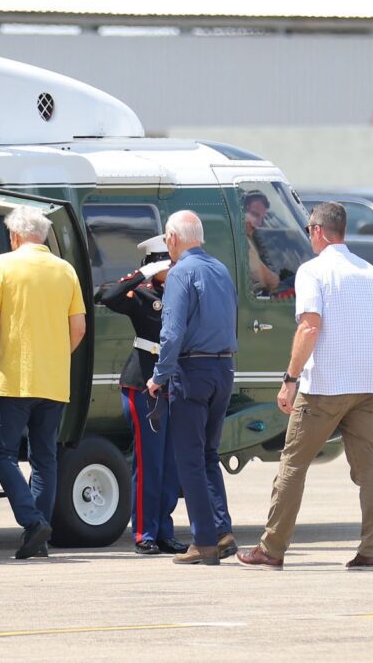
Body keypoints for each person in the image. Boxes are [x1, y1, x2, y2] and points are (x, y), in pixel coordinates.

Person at [237, 202, 373, 571]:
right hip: (368, 386)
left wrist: (290, 379)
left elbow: (310, 326)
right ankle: (371, 550)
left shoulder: (313, 272)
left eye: (310, 228)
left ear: (318, 231)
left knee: (293, 464)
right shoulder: (371, 273)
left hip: (326, 384)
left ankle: (272, 548)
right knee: (368, 468)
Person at [0, 206, 86, 560]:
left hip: (15, 378)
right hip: (54, 381)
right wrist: (56, 355)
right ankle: (38, 536)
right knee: (44, 458)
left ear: (14, 236)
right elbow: (79, 327)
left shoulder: (3, 265)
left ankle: (31, 520)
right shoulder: (65, 269)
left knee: (2, 452)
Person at [146, 210, 239, 567]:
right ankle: (221, 529)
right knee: (208, 455)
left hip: (193, 369)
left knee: (189, 458)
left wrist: (159, 375)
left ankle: (204, 541)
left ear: (172, 238)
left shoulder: (181, 272)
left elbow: (171, 332)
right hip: (223, 367)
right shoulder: (220, 269)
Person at [95, 235, 186, 556]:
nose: (172, 269)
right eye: (167, 263)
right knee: (149, 463)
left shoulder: (180, 292)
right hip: (143, 382)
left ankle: (164, 530)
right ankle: (144, 533)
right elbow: (107, 296)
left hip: (174, 382)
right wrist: (142, 274)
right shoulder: (141, 294)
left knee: (170, 464)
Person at [244, 190, 281, 294]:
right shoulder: (244, 242)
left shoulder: (253, 237)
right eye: (254, 214)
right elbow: (261, 275)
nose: (258, 223)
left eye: (262, 217)